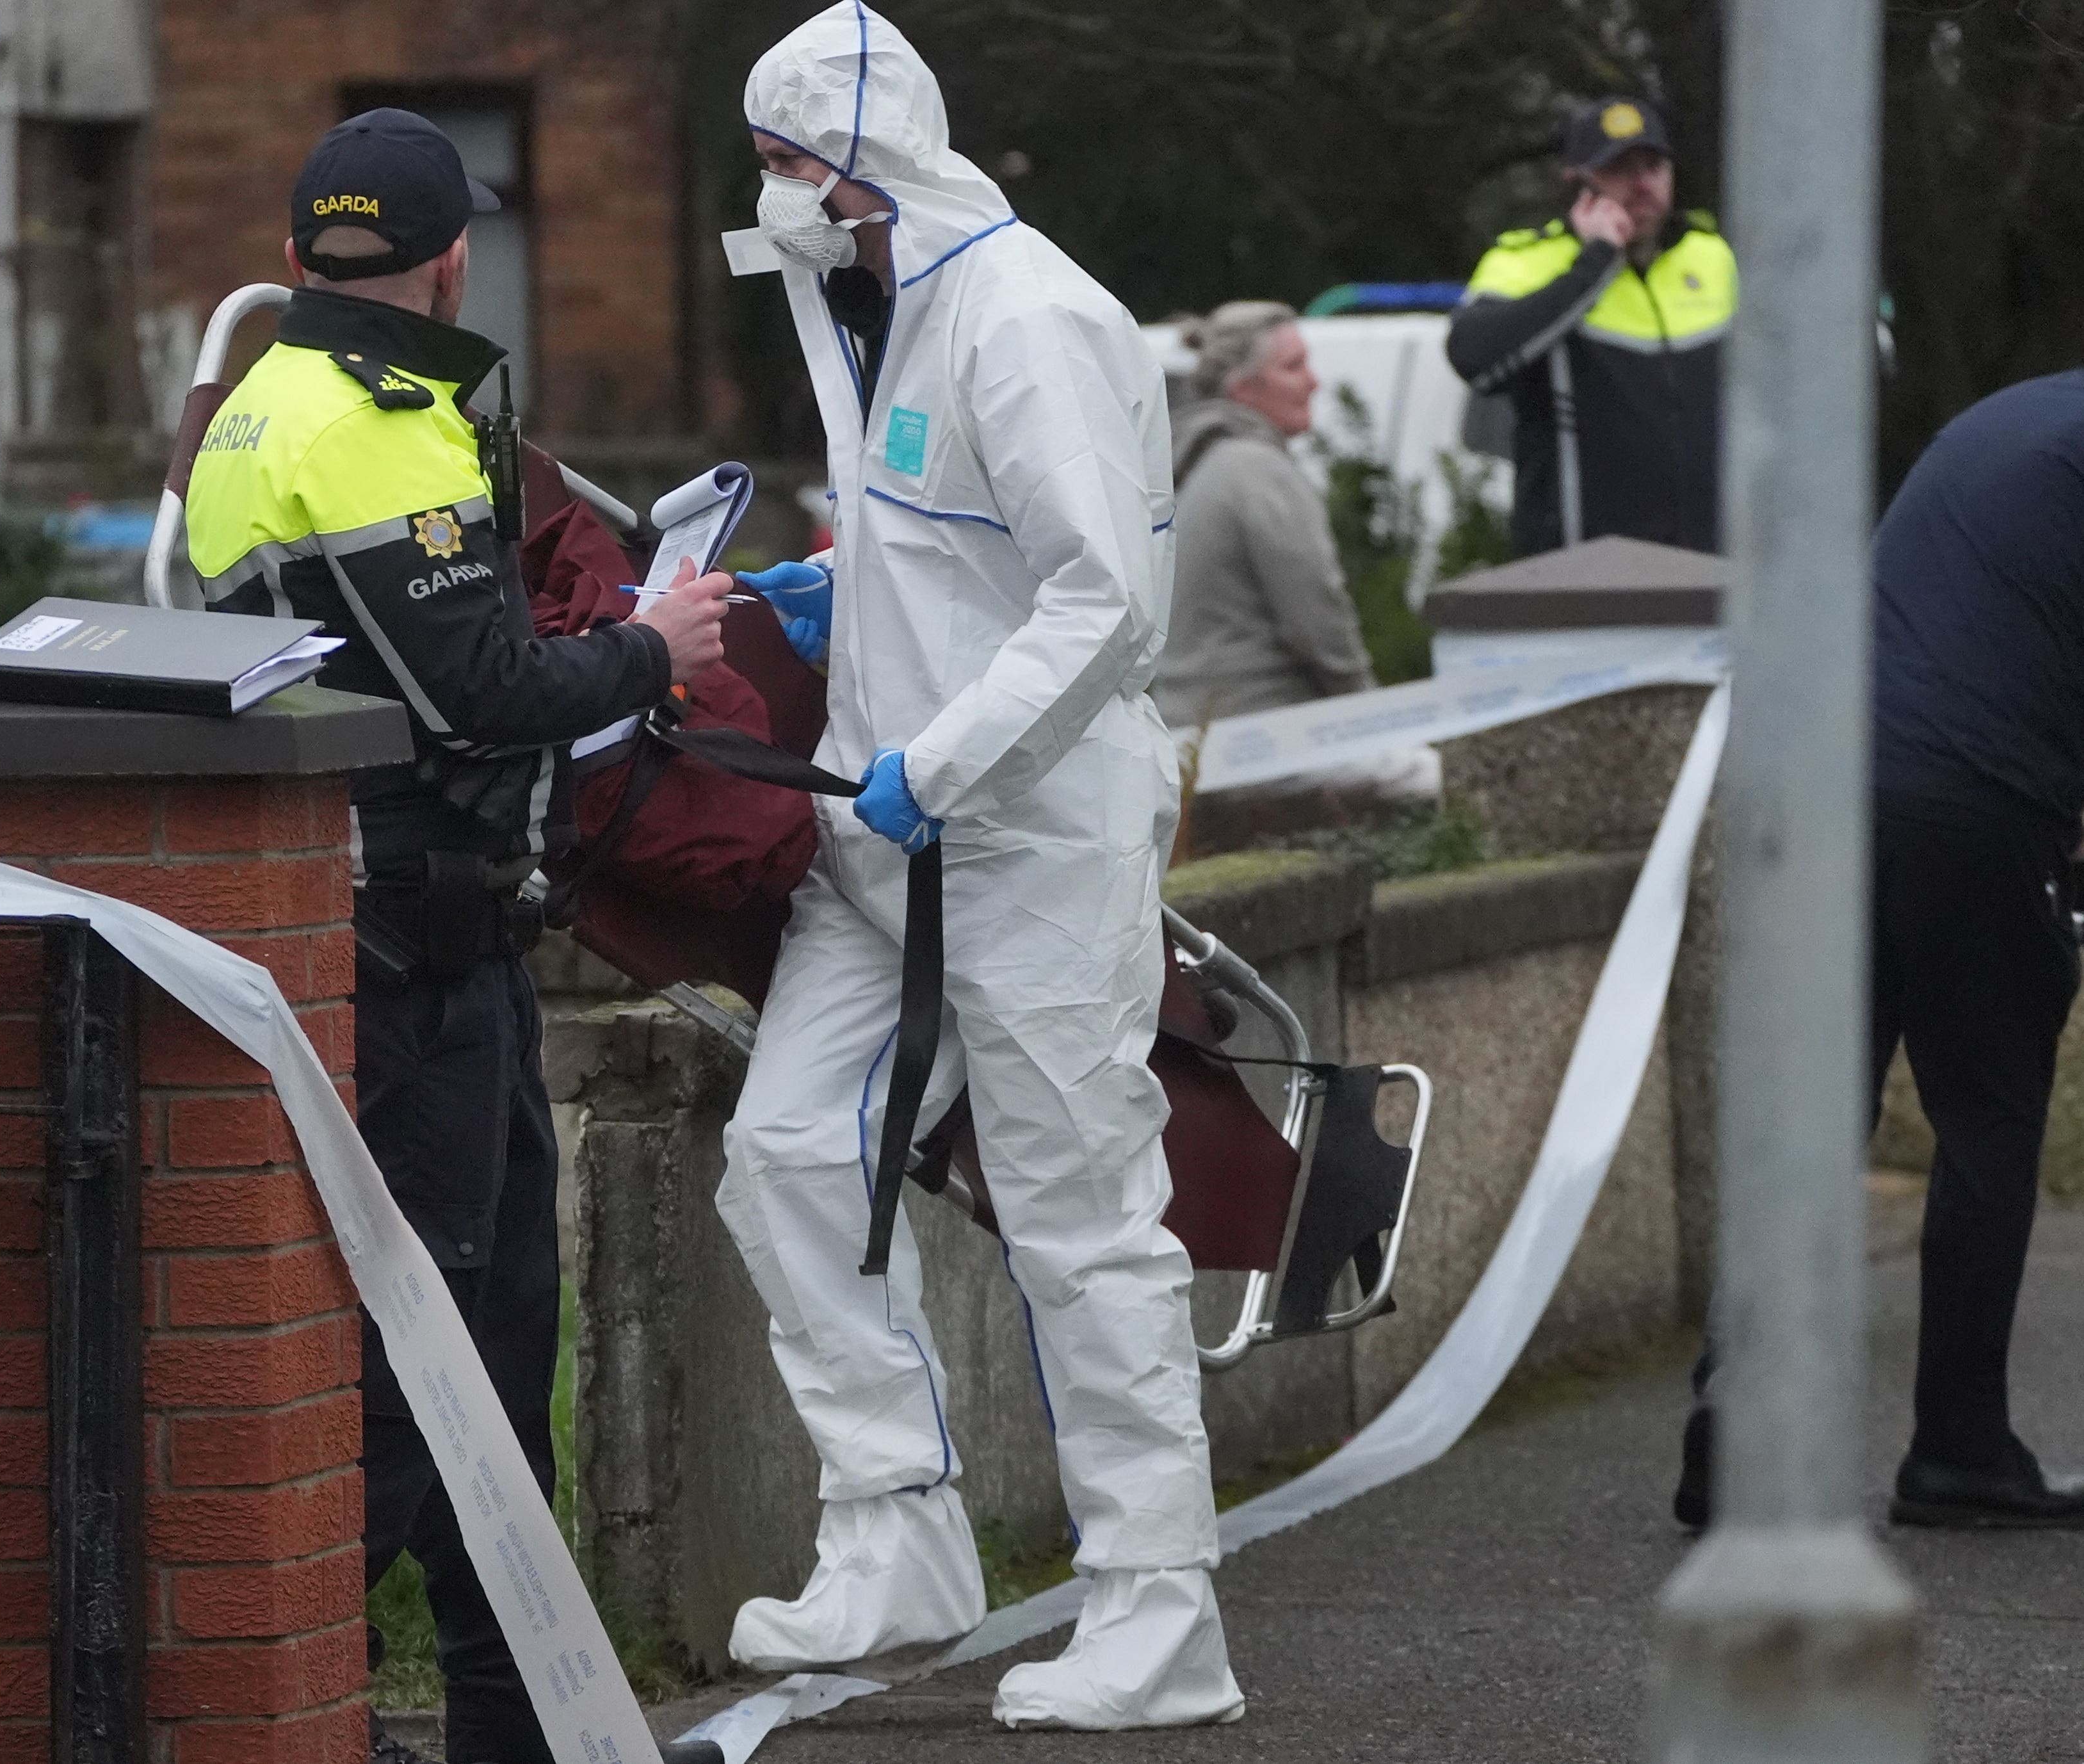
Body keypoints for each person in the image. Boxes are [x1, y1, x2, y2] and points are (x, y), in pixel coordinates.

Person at [715, 4, 1244, 1731]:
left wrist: (927, 766)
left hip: (1016, 836)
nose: (766, 193)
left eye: (787, 163)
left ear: (860, 170)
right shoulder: (864, 301)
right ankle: (895, 1535)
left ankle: (1158, 1616)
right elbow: (955, 552)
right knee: (787, 1149)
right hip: (883, 831)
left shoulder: (1026, 318)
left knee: (1083, 1225)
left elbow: (1108, 601)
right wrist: (835, 595)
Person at [180, 109, 732, 1764]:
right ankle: (271, 1720)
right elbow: (479, 690)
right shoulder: (384, 418)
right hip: (409, 959)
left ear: (292, 262)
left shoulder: (250, 405)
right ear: (450, 261)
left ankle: (524, 1730)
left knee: (484, 1365)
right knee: (419, 1378)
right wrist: (653, 642)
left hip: (375, 941)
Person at [1677, 371, 2084, 1530]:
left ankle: (1737, 1420)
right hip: (1969, 791)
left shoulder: (2015, 417)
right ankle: (1957, 1449)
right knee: (1988, 1114)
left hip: (1818, 769)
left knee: (1816, 1106)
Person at [1151, 300, 1437, 830]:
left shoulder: (1192, 466)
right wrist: (1373, 719)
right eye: (1293, 366)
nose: (1313, 383)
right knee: (1441, 782)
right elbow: (1319, 623)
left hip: (1181, 737)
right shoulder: (1257, 469)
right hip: (1261, 739)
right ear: (1242, 388)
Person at [1446, 97, 1736, 557]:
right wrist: (1595, 264)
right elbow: (1473, 357)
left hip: (1713, 574)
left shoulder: (1712, 257)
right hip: (1586, 580)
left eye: (1652, 167)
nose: (1641, 185)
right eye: (1619, 169)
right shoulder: (1525, 262)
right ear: (1578, 184)